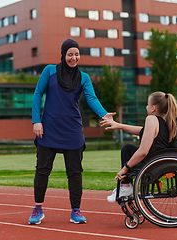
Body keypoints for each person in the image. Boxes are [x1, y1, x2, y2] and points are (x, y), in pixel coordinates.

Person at [29, 38, 115, 224]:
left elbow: (91, 98)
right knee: (42, 170)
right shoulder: (49, 71)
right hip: (48, 128)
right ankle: (38, 208)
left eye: (76, 54)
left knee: (75, 172)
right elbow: (37, 94)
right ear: (63, 55)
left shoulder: (84, 77)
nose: (73, 58)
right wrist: (37, 121)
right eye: (70, 54)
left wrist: (104, 114)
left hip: (72, 130)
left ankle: (76, 210)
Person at [100, 91, 177, 203]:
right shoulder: (166, 121)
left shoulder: (151, 119)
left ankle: (126, 187)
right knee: (129, 149)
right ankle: (126, 187)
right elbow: (142, 131)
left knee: (127, 149)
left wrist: (125, 168)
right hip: (162, 161)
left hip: (152, 162)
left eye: (148, 104)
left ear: (153, 108)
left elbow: (143, 152)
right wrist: (119, 125)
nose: (146, 106)